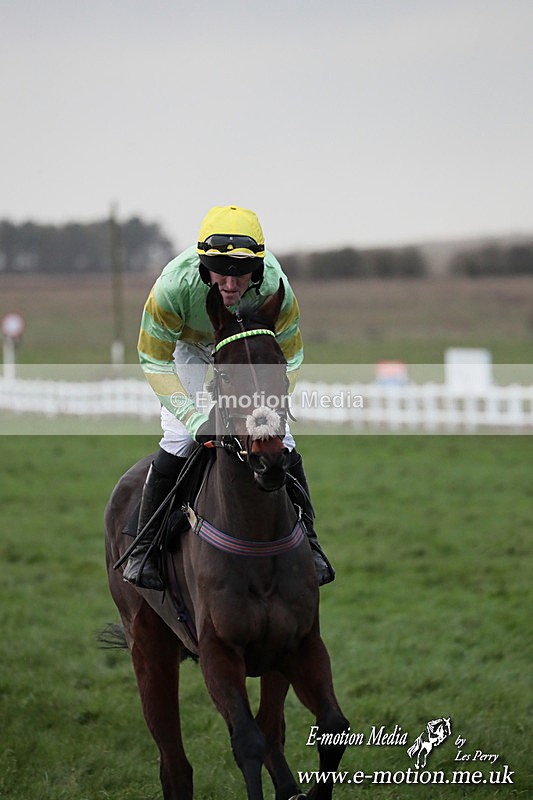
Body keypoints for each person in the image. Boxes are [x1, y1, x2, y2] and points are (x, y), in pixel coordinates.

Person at [123, 205, 334, 591]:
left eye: (241, 273)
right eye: (221, 271)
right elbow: (153, 357)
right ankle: (144, 550)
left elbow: (291, 356)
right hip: (189, 348)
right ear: (204, 264)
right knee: (179, 438)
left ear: (258, 267)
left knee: (281, 439)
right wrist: (192, 417)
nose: (231, 284)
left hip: (249, 350)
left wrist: (270, 409)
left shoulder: (275, 286)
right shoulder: (173, 287)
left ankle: (312, 545)